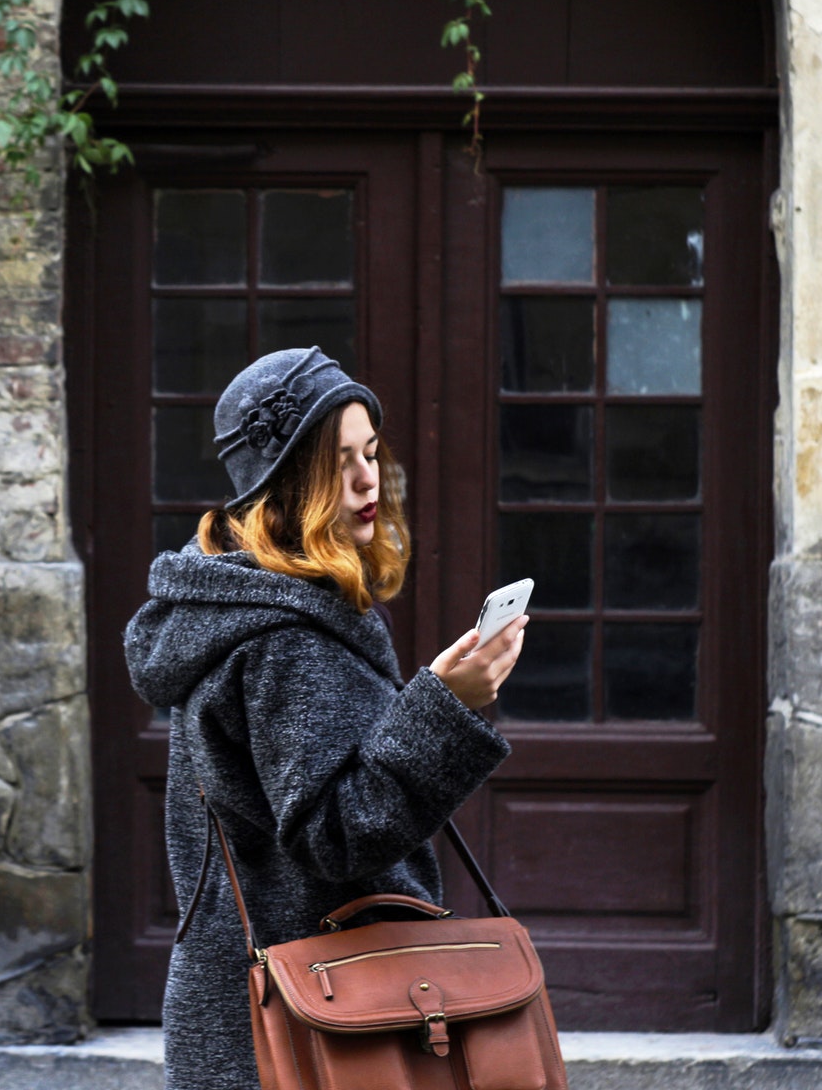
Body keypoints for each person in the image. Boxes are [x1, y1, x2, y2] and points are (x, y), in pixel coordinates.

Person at [126, 347, 527, 1090]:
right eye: (337, 462)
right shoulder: (287, 639)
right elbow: (335, 836)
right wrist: (447, 708)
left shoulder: (232, 609)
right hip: (317, 1027)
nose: (368, 479)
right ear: (285, 485)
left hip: (251, 1007)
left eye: (371, 452)